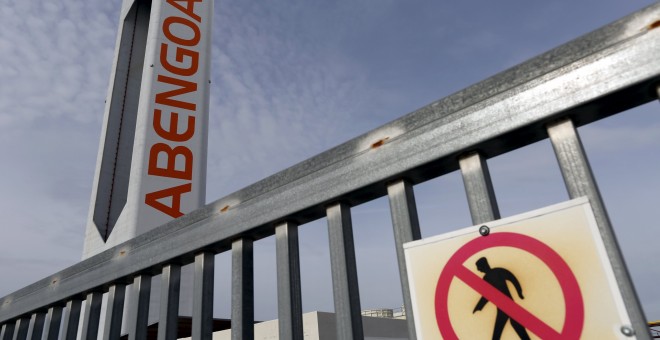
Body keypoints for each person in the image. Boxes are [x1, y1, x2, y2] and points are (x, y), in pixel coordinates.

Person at [472, 257, 530, 340]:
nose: (478, 269)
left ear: (483, 265)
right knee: (515, 326)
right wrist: (519, 292)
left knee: (501, 330)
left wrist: (479, 306)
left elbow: (512, 278)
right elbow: (513, 278)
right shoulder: (497, 271)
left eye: (478, 267)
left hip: (504, 308)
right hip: (507, 306)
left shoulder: (490, 276)